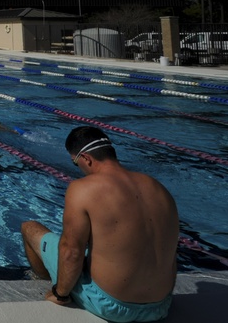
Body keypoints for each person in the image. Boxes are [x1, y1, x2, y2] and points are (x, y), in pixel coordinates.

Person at [20, 127, 179, 322]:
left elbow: (72, 252)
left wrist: (61, 294)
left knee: (29, 228)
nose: (78, 167)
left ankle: (45, 281)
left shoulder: (83, 189)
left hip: (112, 306)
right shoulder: (158, 187)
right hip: (160, 306)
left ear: (86, 158)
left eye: (75, 162)